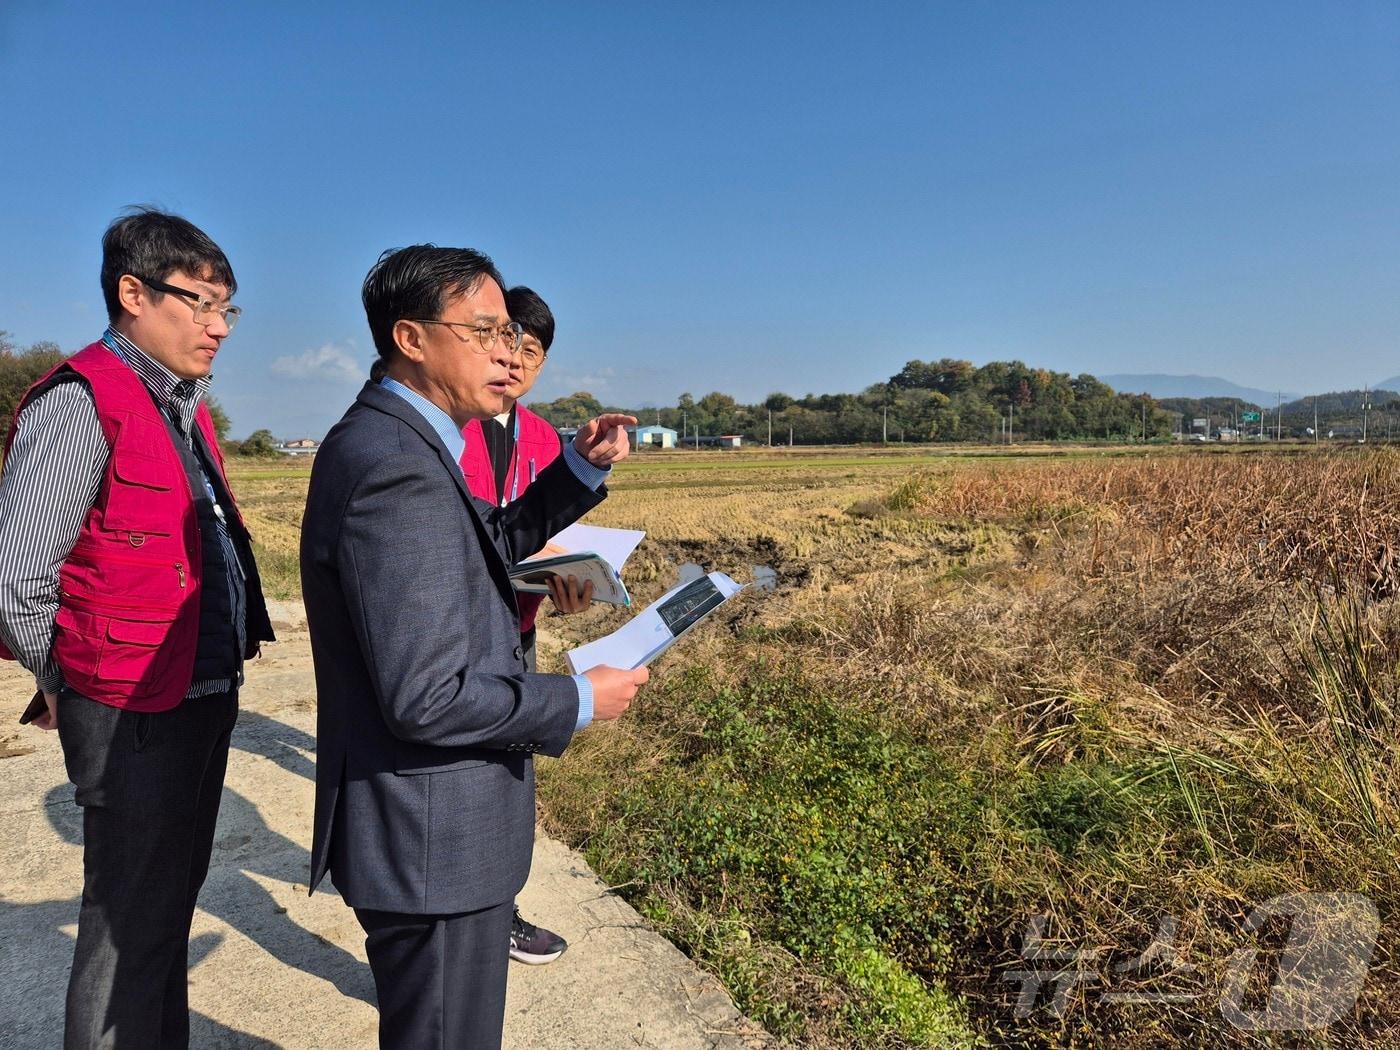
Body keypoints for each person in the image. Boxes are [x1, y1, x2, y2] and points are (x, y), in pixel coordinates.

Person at [300, 245, 648, 1049]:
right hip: (433, 840)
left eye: (514, 335)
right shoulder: (396, 464)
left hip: (430, 832)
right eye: (486, 330)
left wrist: (575, 471)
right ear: (412, 339)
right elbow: (427, 695)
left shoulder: (405, 442)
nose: (507, 350)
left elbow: (482, 547)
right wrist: (582, 698)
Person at [0, 207, 275, 1050]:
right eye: (200, 303)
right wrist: (70, 681)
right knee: (126, 923)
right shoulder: (85, 401)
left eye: (228, 308)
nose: (219, 327)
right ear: (132, 292)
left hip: (193, 695)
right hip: (131, 711)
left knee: (162, 915)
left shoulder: (178, 407)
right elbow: (17, 580)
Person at [461, 285, 584, 965]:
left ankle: (498, 907)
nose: (513, 361)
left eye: (529, 350)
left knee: (510, 771)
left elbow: (549, 535)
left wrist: (573, 583)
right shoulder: (443, 425)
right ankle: (462, 911)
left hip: (520, 626)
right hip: (454, 629)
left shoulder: (542, 438)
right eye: (503, 342)